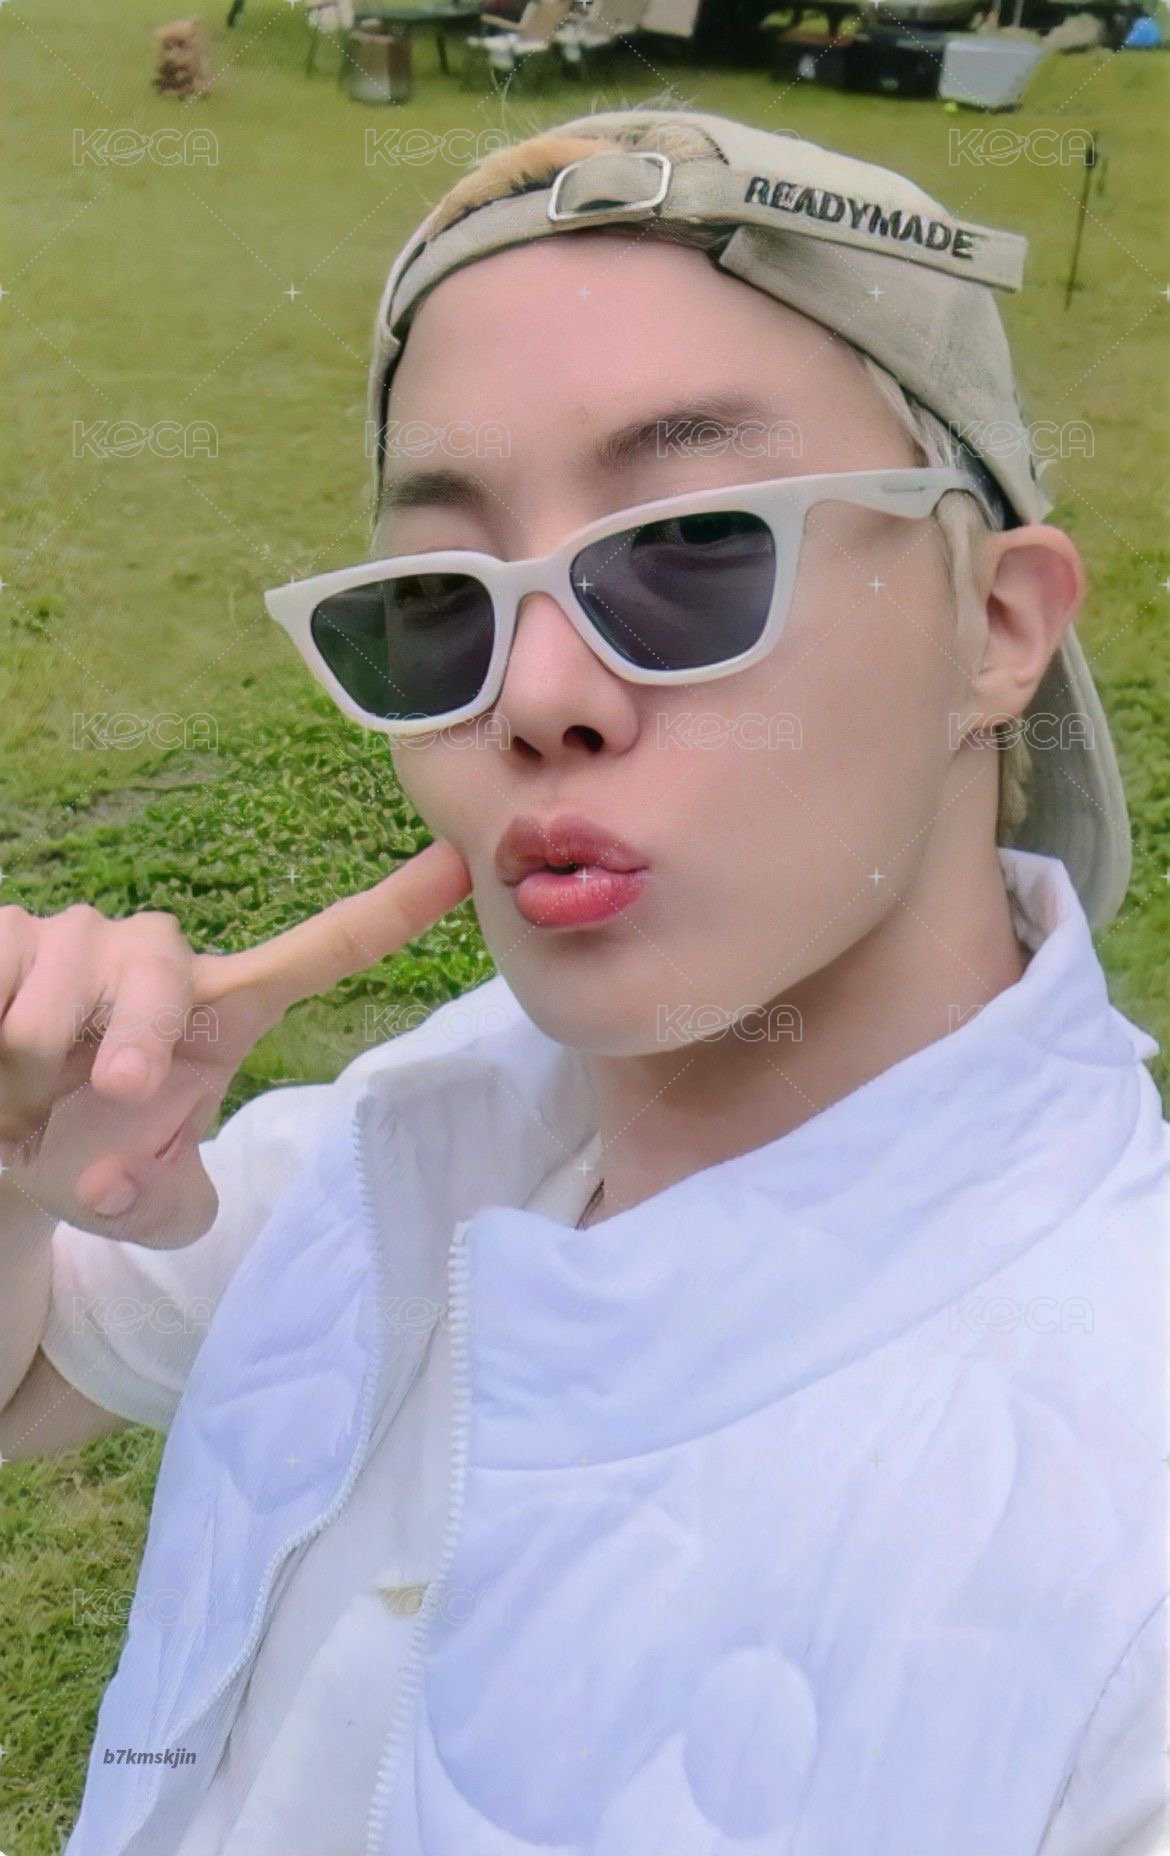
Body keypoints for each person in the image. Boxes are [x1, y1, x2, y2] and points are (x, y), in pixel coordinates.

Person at [0, 103, 1166, 1856]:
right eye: (440, 602)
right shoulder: (420, 1132)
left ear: (994, 625)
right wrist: (21, 1175)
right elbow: (36, 1380)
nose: (536, 695)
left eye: (693, 550)